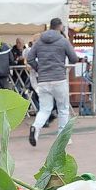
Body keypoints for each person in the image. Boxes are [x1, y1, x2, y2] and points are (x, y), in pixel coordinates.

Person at [26, 18, 78, 146]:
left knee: (44, 109)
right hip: (59, 79)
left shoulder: (39, 42)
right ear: (60, 27)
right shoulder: (63, 41)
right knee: (63, 108)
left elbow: (30, 58)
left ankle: (35, 127)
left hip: (43, 80)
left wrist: (39, 69)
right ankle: (62, 138)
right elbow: (74, 58)